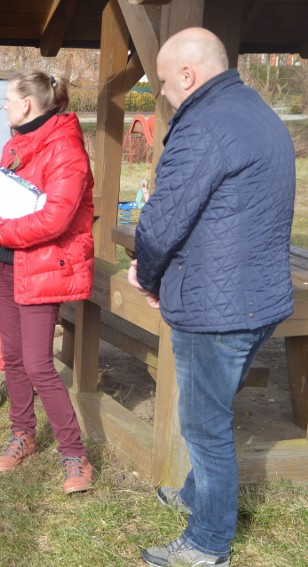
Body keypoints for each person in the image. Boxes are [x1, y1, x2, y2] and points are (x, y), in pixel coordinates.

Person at [129, 27, 295, 567]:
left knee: (204, 426)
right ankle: (199, 496)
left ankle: (207, 543)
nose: (163, 93)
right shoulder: (259, 112)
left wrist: (148, 278)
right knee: (215, 413)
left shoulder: (201, 125)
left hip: (216, 306)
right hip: (259, 298)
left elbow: (158, 224)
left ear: (188, 74)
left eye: (163, 82)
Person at [0, 69, 95, 494]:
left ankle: (74, 455)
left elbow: (55, 218)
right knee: (13, 356)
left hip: (41, 267)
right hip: (5, 264)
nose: (4, 105)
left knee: (39, 363)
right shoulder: (14, 145)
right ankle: (23, 434)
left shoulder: (66, 148)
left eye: (7, 99)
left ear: (26, 104)